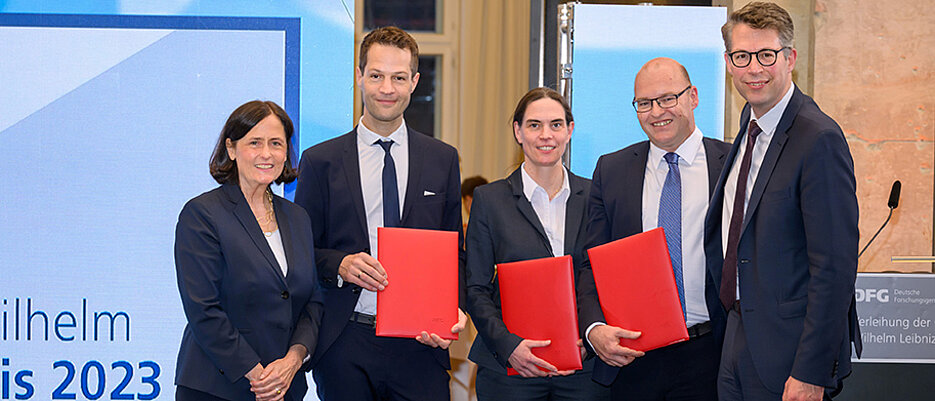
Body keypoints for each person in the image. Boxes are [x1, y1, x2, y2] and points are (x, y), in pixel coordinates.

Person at [294, 26, 467, 401]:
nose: (386, 88)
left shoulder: (442, 159)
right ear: (359, 77)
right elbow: (300, 251)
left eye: (398, 78)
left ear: (414, 82)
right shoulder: (319, 161)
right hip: (345, 341)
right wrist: (338, 264)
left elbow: (454, 252)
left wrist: (455, 310)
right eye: (376, 76)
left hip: (422, 344)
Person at [706, 2, 861, 400]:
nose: (753, 68)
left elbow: (834, 268)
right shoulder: (750, 123)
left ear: (790, 58)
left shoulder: (818, 138)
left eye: (766, 55)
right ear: (728, 63)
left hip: (790, 356)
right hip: (738, 338)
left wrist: (811, 371)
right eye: (742, 56)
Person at [576, 58, 731, 400]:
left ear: (693, 97)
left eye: (667, 98)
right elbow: (591, 263)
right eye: (644, 103)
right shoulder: (611, 170)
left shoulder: (733, 164)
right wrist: (594, 328)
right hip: (634, 357)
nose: (656, 111)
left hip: (713, 353)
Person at [464, 87, 611, 400]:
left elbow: (605, 278)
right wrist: (509, 346)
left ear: (569, 130)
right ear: (518, 132)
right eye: (534, 125)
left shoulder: (594, 197)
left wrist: (592, 333)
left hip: (583, 370)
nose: (546, 135)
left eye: (556, 124)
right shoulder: (490, 200)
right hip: (510, 371)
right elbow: (475, 288)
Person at [174, 100, 323, 401]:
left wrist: (292, 362)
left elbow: (313, 303)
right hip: (218, 388)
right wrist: (259, 376)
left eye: (276, 144)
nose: (266, 154)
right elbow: (203, 309)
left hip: (285, 386)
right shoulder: (202, 214)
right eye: (255, 142)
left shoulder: (297, 217)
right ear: (231, 149)